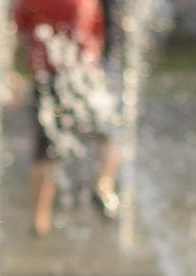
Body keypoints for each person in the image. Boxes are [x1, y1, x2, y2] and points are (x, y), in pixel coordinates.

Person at [14, 0, 120, 236]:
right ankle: (102, 185)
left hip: (48, 77)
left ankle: (38, 220)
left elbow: (18, 32)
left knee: (46, 150)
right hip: (84, 74)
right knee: (106, 133)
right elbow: (97, 36)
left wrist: (16, 69)